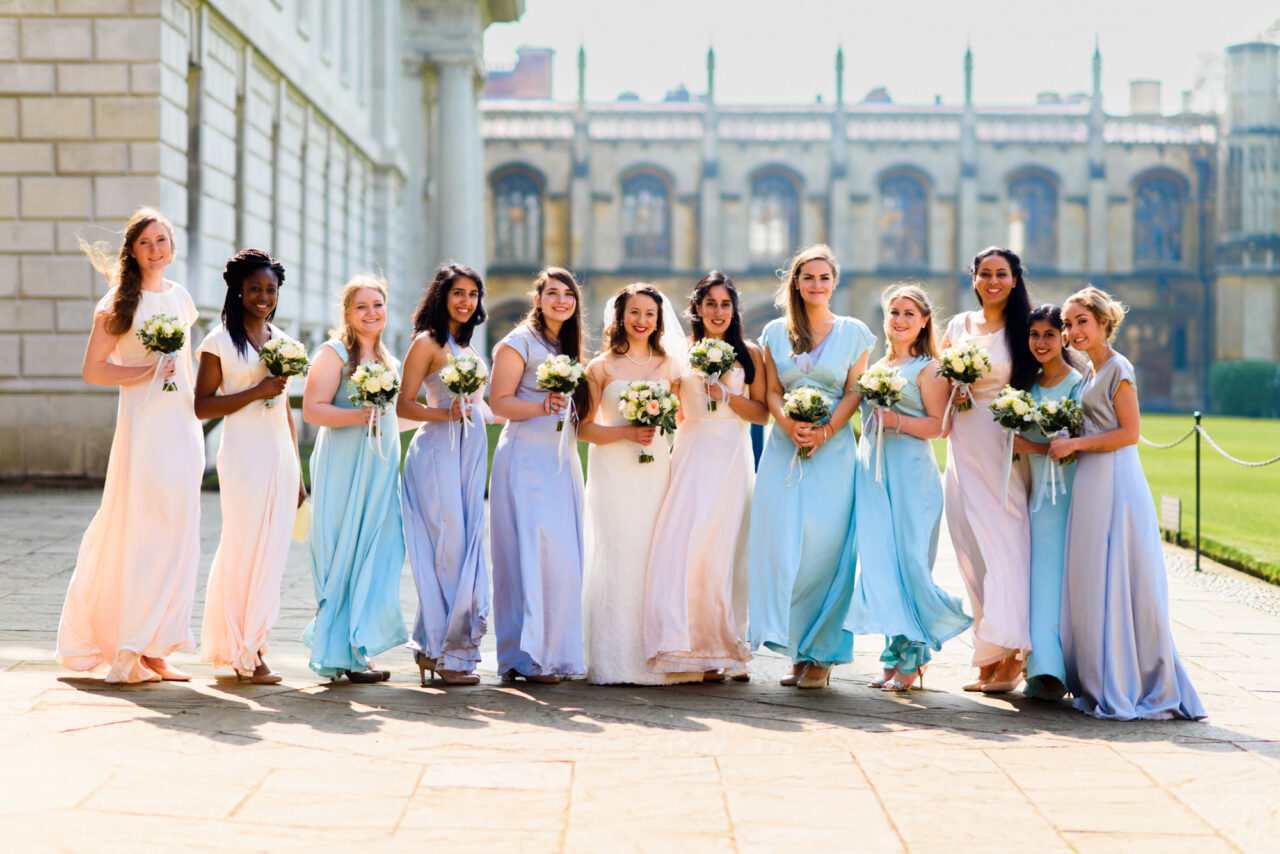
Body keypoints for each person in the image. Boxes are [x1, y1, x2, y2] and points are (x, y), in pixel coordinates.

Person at [56, 207, 204, 683]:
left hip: (182, 426)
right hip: (144, 429)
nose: (156, 249)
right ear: (132, 250)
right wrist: (142, 372)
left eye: (162, 239)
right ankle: (130, 645)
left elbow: (186, 366)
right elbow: (93, 369)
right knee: (144, 528)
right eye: (146, 242)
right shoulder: (119, 302)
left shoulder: (182, 299)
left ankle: (159, 646)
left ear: (172, 245)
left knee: (179, 529)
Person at [1050, 287, 1206, 720]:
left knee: (1118, 571)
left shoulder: (1119, 367)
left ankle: (1132, 680)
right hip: (1091, 478)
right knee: (1092, 574)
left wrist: (1074, 443)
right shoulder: (1088, 371)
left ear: (1104, 322)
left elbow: (1129, 433)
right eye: (1068, 323)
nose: (1073, 330)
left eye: (1082, 321)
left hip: (1116, 479)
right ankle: (1099, 675)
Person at [748, 244, 875, 689]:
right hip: (783, 451)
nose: (816, 285)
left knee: (827, 548)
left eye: (824, 277)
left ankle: (822, 654)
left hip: (833, 451)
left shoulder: (855, 332)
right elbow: (770, 392)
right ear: (796, 284)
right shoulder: (772, 333)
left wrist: (824, 431)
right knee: (785, 548)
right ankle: (797, 646)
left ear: (834, 282)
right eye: (808, 278)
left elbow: (855, 392)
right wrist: (788, 426)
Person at [846, 285, 972, 691]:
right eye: (893, 312)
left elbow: (939, 426)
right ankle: (892, 655)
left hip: (911, 474)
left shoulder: (928, 369)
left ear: (923, 322)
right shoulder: (878, 363)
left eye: (908, 313)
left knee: (909, 563)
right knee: (882, 564)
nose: (899, 320)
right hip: (874, 472)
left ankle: (914, 655)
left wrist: (894, 422)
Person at [644, 272, 768, 682]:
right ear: (696, 307)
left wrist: (728, 396)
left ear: (735, 310)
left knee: (726, 549)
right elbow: (674, 410)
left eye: (725, 304)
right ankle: (693, 646)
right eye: (710, 303)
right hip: (693, 452)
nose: (718, 312)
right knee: (689, 546)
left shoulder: (749, 352)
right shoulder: (680, 353)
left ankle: (727, 644)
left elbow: (762, 413)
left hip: (733, 455)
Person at [193, 249, 305, 684]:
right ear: (239, 290)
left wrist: (297, 470)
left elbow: (285, 411)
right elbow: (202, 406)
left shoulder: (281, 340)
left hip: (279, 454)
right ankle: (247, 651)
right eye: (255, 289)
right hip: (243, 456)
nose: (263, 297)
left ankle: (251, 643)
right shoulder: (218, 341)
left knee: (273, 553)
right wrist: (256, 390)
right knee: (244, 547)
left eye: (270, 290)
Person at [580, 283, 694, 685]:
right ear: (620, 317)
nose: (642, 321)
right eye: (634, 313)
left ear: (659, 319)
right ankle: (613, 657)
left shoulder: (670, 366)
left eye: (649, 314)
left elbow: (684, 421)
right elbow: (584, 428)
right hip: (614, 469)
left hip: (657, 470)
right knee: (619, 553)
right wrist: (626, 433)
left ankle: (655, 654)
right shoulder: (601, 367)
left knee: (653, 555)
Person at [301, 274, 409, 683]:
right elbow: (313, 409)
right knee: (344, 552)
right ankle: (340, 653)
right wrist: (357, 416)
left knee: (377, 552)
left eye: (377, 305)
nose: (371, 313)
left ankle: (359, 645)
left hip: (379, 469)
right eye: (361, 306)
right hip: (345, 466)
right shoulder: (333, 353)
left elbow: (395, 416)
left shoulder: (389, 360)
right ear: (347, 312)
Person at [941, 246, 1037, 694]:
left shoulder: (1026, 328)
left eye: (1001, 274)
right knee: (970, 549)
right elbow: (940, 384)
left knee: (1006, 545)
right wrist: (955, 389)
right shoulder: (958, 325)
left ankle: (1014, 650)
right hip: (962, 443)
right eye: (984, 273)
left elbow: (1045, 380)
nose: (993, 281)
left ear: (1015, 279)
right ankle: (990, 649)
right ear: (973, 278)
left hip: (1003, 444)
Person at [489, 267, 592, 684]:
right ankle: (527, 656)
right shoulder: (517, 343)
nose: (561, 301)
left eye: (568, 294)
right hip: (525, 459)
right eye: (553, 293)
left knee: (562, 558)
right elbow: (500, 403)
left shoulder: (567, 346)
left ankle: (557, 651)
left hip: (561, 459)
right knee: (529, 553)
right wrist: (542, 406)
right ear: (538, 300)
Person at [397, 263, 490, 686]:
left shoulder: (468, 348)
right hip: (437, 451)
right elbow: (404, 404)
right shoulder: (428, 342)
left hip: (468, 452)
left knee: (465, 545)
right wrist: (444, 412)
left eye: (473, 294)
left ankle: (432, 645)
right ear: (442, 296)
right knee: (449, 547)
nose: (466, 301)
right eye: (459, 293)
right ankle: (449, 651)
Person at [1011, 304, 1083, 701]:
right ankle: (1040, 666)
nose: (1041, 342)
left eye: (1049, 335)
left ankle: (1059, 669)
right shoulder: (1028, 386)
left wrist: (1033, 446)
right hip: (1036, 493)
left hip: (1067, 494)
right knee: (1037, 579)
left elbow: (1076, 449)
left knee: (1057, 581)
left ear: (1064, 337)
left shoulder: (1077, 384)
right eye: (1034, 335)